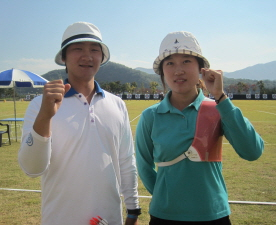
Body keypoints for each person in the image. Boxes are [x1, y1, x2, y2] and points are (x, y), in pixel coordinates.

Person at [135, 31, 264, 225]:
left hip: (213, 215)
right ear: (162, 71)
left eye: (186, 61)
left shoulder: (218, 109)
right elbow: (144, 166)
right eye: (170, 63)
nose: (178, 70)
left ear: (202, 69)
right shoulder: (150, 116)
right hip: (164, 215)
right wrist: (167, 197)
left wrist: (221, 98)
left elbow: (252, 151)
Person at [18, 22, 141, 225]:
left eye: (94, 50)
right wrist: (45, 116)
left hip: (110, 218)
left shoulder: (117, 104)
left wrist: (133, 211)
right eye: (77, 49)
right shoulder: (39, 104)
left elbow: (126, 161)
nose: (87, 56)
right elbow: (32, 168)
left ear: (102, 57)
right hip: (60, 218)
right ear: (64, 58)